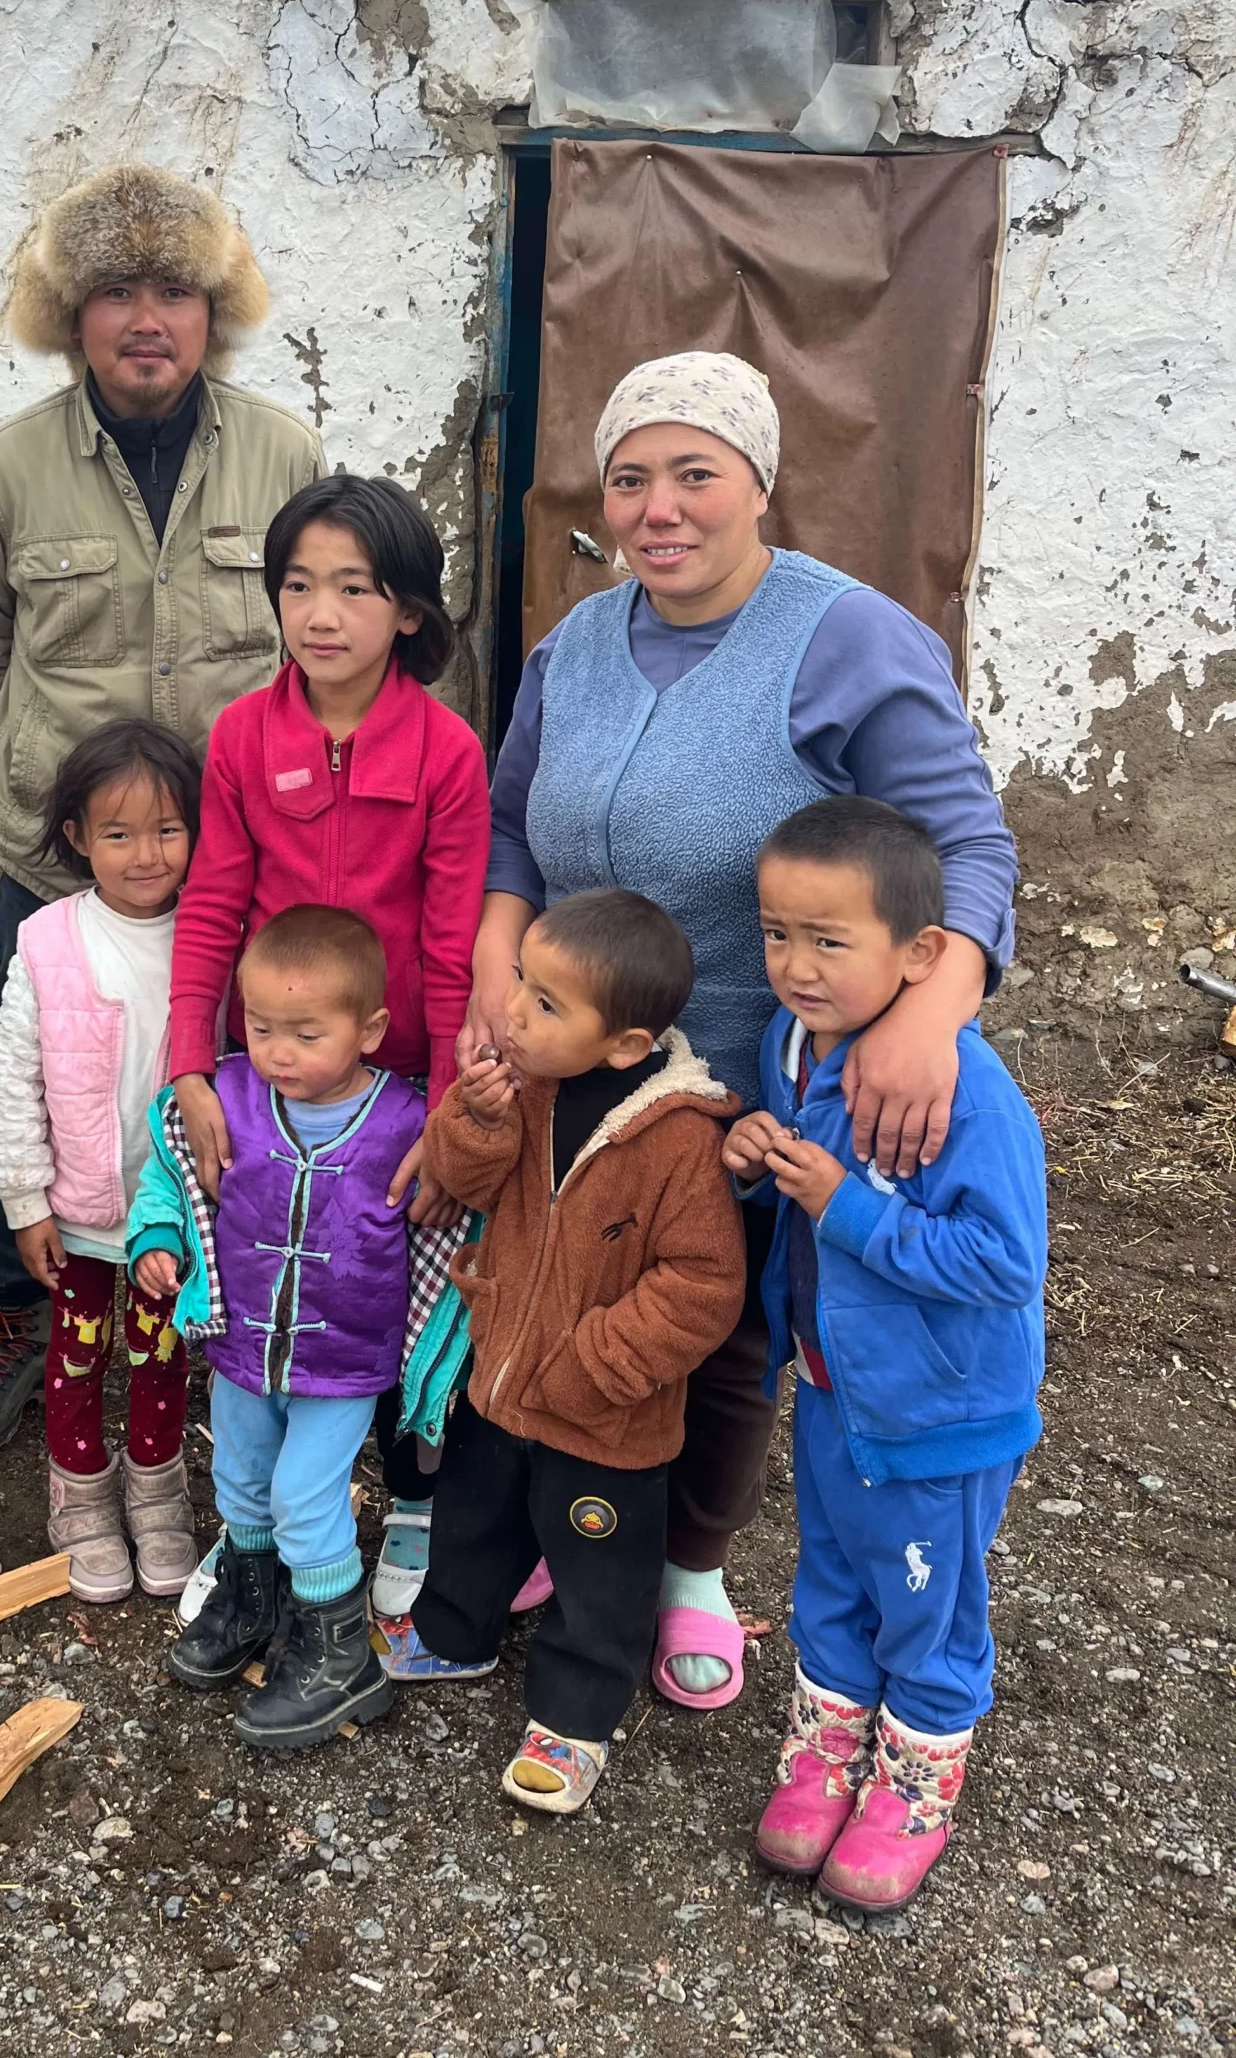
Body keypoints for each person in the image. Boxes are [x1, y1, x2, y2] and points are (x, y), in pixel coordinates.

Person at [466, 351, 1019, 1709]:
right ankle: (576, 1522)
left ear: (760, 484)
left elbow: (969, 849)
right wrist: (495, 952)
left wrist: (931, 1017)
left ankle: (691, 1567)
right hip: (578, 1065)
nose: (661, 508)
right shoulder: (574, 646)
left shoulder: (846, 640)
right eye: (631, 478)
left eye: (695, 473)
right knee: (560, 1291)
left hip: (746, 1084)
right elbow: (505, 820)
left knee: (715, 1329)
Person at [0, 163, 322, 1456]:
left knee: (234, 1076)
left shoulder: (285, 453)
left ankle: (227, 1309)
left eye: (177, 288)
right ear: (70, 314)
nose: (147, 316)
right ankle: (20, 1308)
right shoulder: (2, 469)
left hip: (231, 860)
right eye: (114, 290)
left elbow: (311, 633)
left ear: (217, 309)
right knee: (43, 1088)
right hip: (60, 867)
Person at [165, 474, 490, 1615]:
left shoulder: (448, 752)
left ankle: (411, 1495)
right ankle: (253, 1527)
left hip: (396, 1082)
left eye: (354, 587)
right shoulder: (246, 735)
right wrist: (190, 1068)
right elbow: (211, 905)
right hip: (274, 1074)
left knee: (400, 1277)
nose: (321, 613)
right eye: (299, 584)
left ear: (406, 609)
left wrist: (448, 1114)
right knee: (270, 1265)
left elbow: (452, 948)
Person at [727, 797, 1046, 1910]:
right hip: (832, 1391)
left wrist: (847, 1211)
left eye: (828, 940)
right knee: (831, 1581)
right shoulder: (791, 1046)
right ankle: (824, 1761)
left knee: (928, 1604)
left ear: (920, 954)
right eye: (776, 933)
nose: (795, 965)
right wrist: (753, 1150)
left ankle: (912, 1789)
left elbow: (1004, 1263)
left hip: (940, 1415)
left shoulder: (967, 1090)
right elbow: (803, 1182)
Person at [379, 891, 744, 1812]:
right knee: (473, 1518)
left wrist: (596, 1363)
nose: (512, 1012)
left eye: (545, 1003)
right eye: (519, 983)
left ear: (625, 1046)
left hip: (604, 1417)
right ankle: (453, 1633)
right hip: (500, 1379)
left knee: (599, 1572)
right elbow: (466, 1186)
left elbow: (702, 1285)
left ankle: (575, 1717)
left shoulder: (678, 1139)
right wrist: (475, 1119)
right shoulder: (527, 1087)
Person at [129, 907, 423, 1750]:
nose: (279, 1053)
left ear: (370, 1030)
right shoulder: (225, 1097)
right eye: (261, 1028)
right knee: (243, 1475)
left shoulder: (406, 1121)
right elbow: (172, 1179)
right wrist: (156, 1238)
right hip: (242, 1345)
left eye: (306, 1033)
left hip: (342, 1357)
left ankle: (341, 1654)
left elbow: (453, 1209)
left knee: (306, 1494)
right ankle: (256, 1604)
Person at [0, 720, 204, 1603]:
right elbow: (14, 1081)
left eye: (167, 830)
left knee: (161, 1355)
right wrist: (25, 1201)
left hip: (173, 1212)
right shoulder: (47, 941)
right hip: (76, 1210)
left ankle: (156, 1488)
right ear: (77, 839)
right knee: (76, 1354)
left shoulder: (212, 937)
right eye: (117, 834)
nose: (145, 855)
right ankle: (78, 1492)